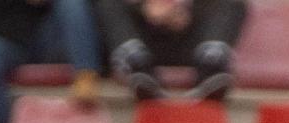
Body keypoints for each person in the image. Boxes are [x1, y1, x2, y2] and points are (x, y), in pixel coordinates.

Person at [97, 0, 244, 101]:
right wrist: (144, 7)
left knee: (232, 2)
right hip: (144, 40)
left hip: (192, 41)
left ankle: (211, 67)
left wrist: (181, 10)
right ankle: (137, 66)